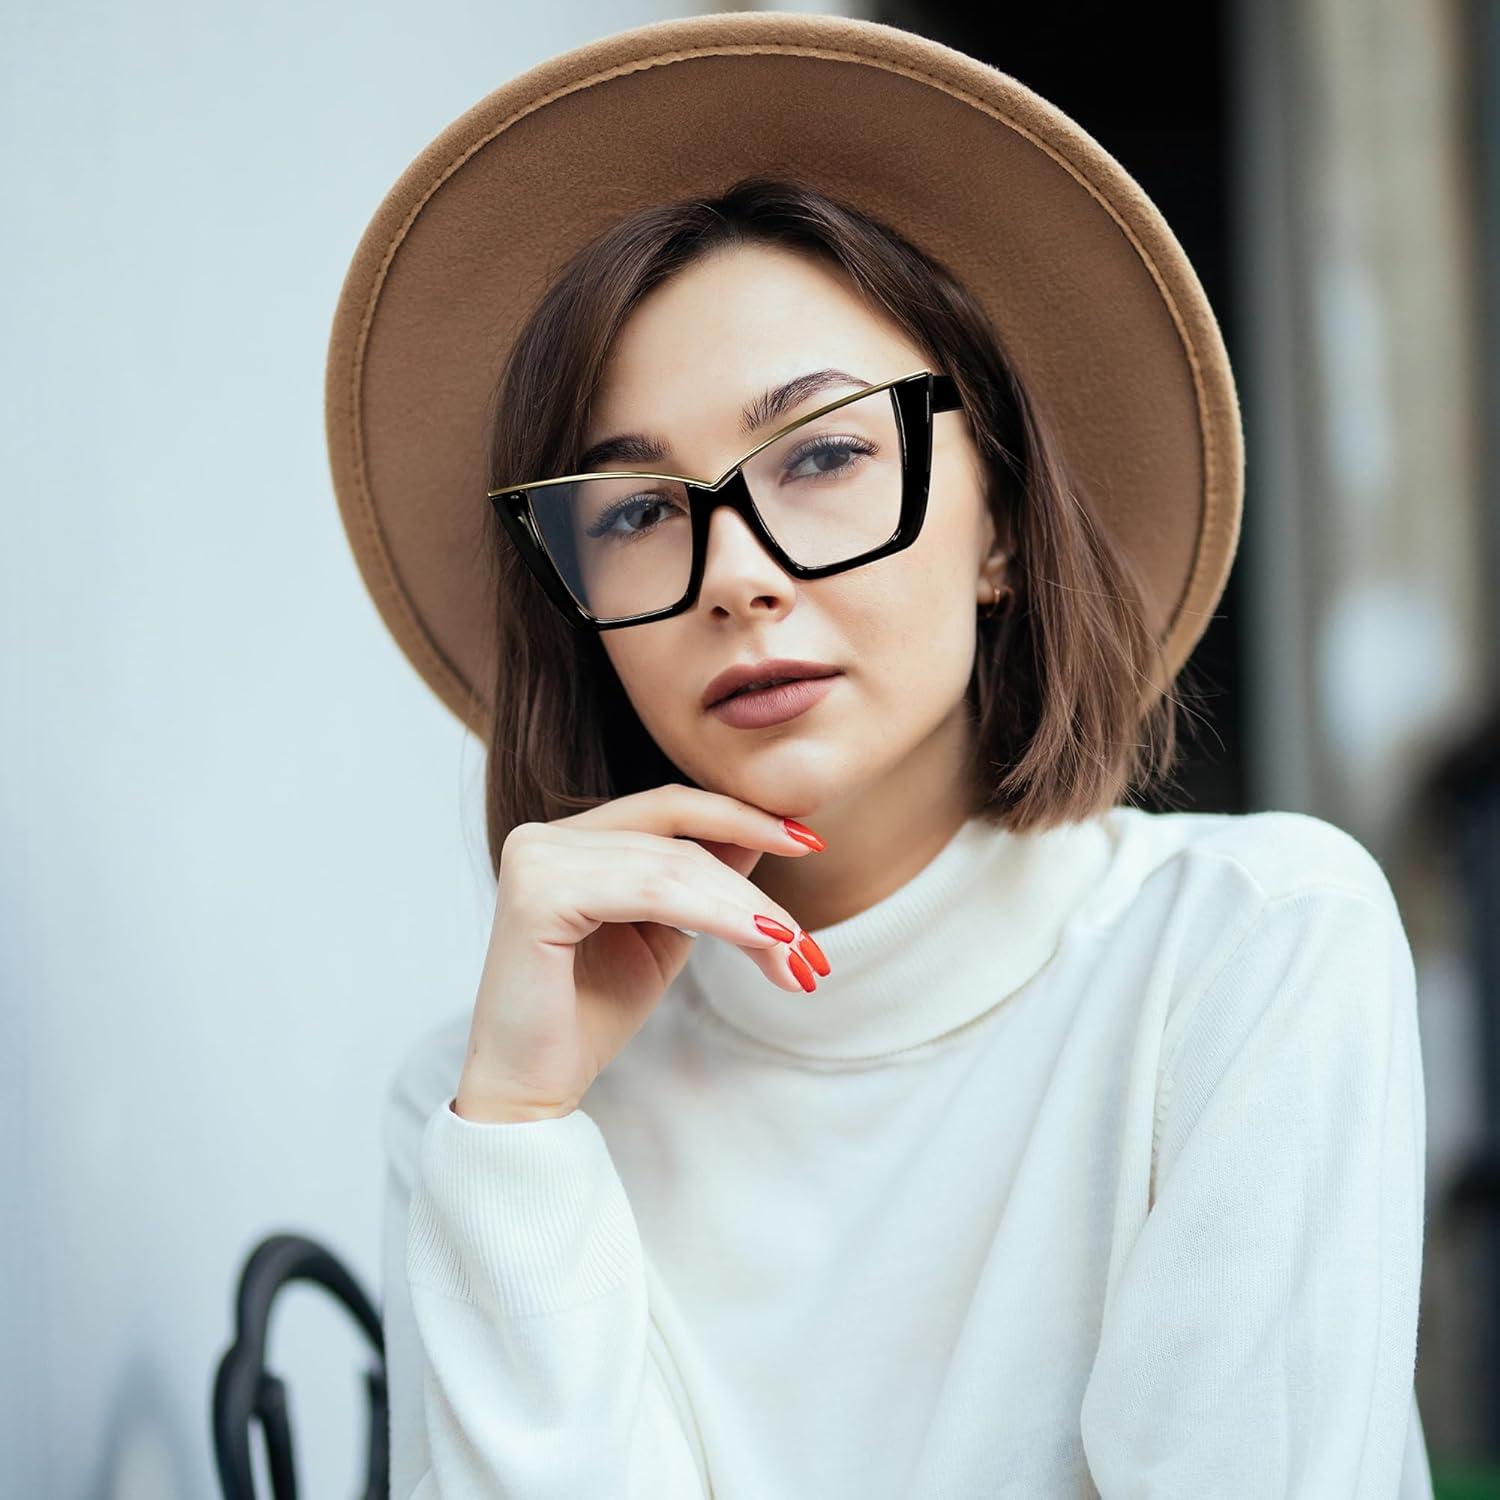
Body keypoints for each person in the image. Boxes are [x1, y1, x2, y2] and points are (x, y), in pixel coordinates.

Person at [325, 15, 1433, 1497]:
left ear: (1004, 529)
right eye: (638, 510)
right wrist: (519, 1135)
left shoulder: (1248, 950)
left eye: (828, 455)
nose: (739, 573)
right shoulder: (488, 1107)